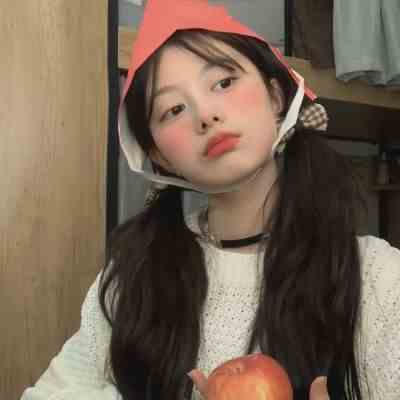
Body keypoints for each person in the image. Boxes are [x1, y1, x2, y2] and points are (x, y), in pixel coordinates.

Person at [21, 0, 400, 399]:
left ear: (275, 96)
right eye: (173, 109)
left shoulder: (379, 280)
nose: (205, 115)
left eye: (223, 83)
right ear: (160, 156)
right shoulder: (135, 277)